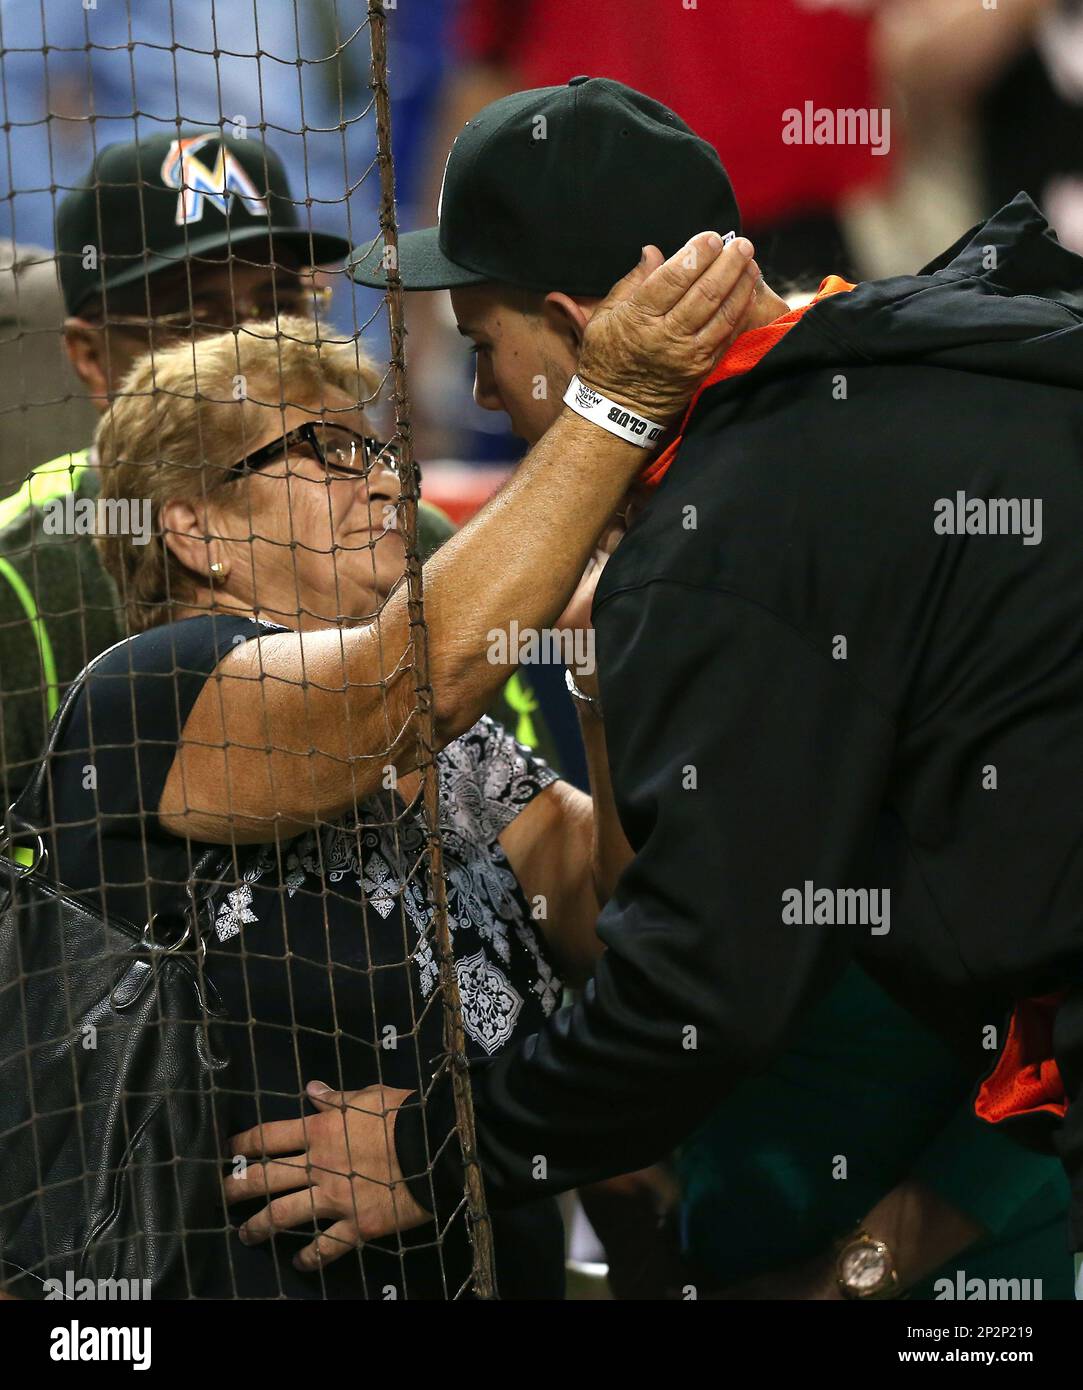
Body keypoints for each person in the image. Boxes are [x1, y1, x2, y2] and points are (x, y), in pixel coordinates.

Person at [332, 77, 1083, 1296]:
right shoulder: (935, 341)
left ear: (581, 332)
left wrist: (429, 1151)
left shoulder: (726, 536)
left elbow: (703, 996)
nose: (475, 398)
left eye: (485, 349)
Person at [4, 223, 758, 1296]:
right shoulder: (151, 690)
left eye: (376, 447)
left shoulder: (469, 754)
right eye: (320, 451)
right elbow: (397, 689)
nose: (379, 481)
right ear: (194, 529)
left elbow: (629, 926)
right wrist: (614, 407)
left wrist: (599, 688)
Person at [0, 132, 464, 806]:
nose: (258, 354)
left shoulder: (411, 539)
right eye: (199, 319)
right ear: (91, 358)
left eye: (278, 307)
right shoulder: (19, 588)